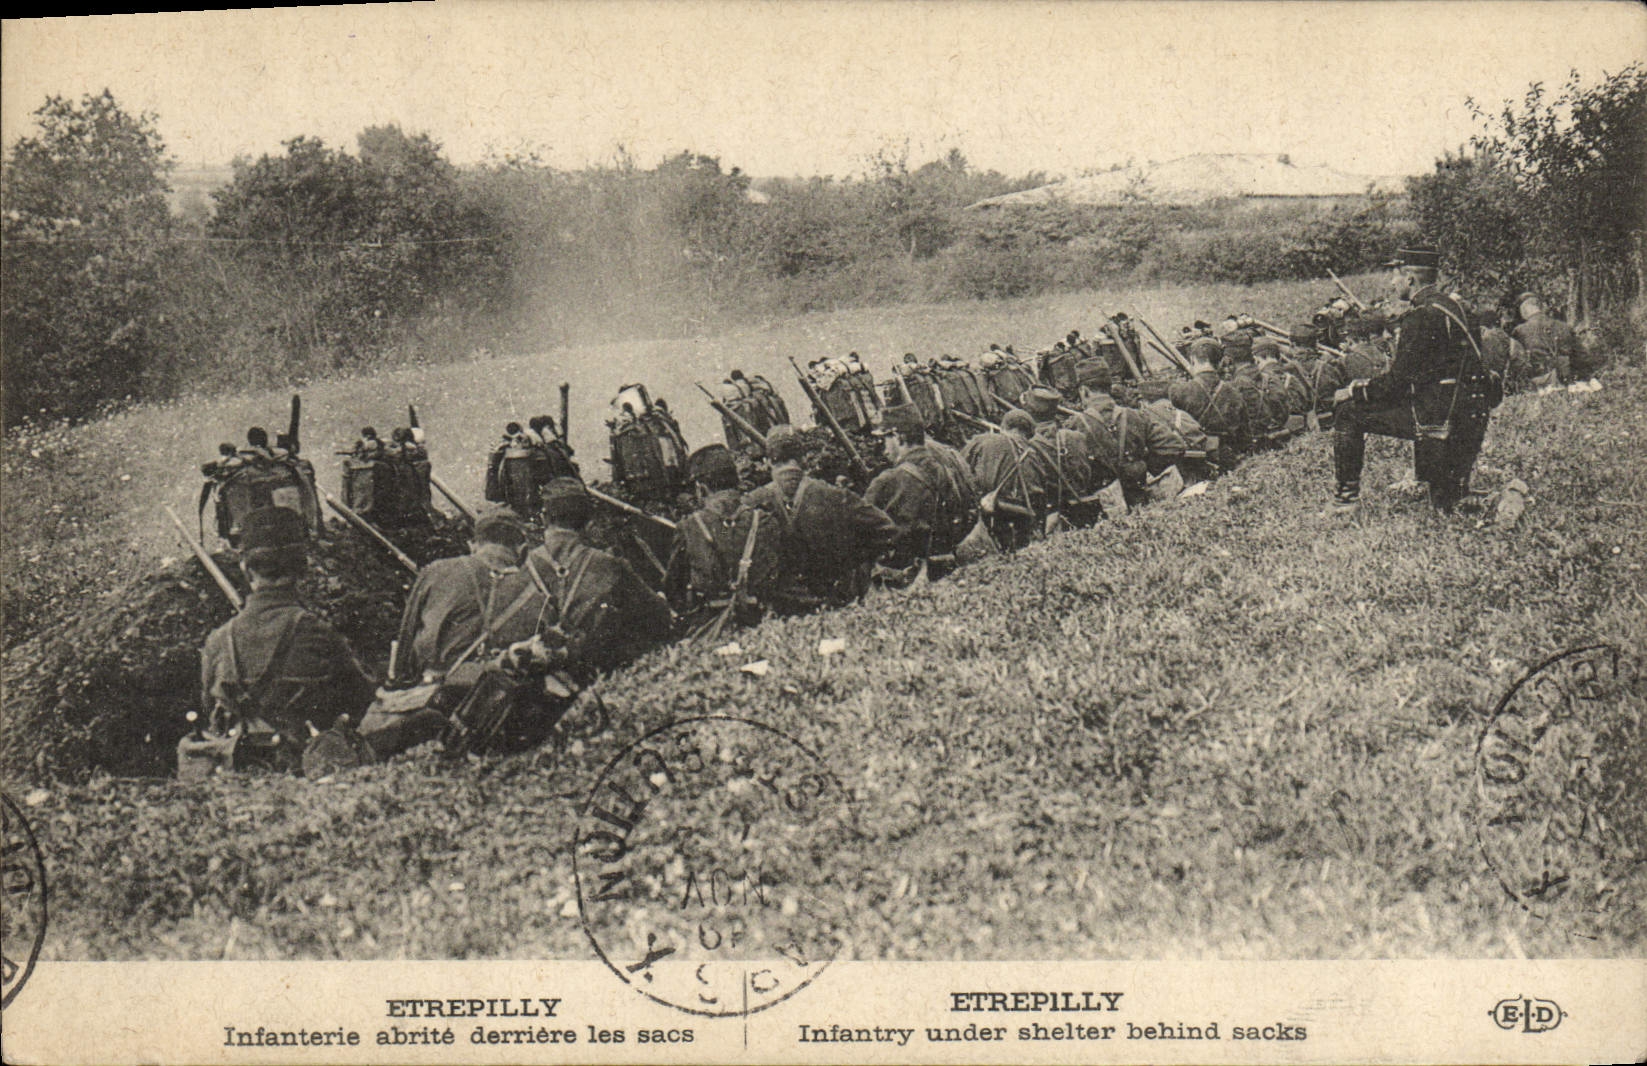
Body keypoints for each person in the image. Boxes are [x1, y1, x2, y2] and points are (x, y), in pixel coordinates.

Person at [191, 506, 376, 774]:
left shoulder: (218, 641)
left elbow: (209, 707)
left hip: (238, 768)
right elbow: (361, 697)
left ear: (245, 569)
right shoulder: (318, 633)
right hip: (307, 767)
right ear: (302, 568)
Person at [1331, 246, 1495, 514]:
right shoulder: (1456, 308)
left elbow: (1398, 382)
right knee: (1447, 502)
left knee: (1348, 412)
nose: (1392, 284)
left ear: (1409, 279)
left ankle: (1344, 500)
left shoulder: (1419, 317)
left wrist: (1355, 390)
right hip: (1471, 410)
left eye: (1395, 277)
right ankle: (1456, 487)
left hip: (1439, 415)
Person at [521, 478, 676, 679]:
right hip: (597, 674)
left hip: (541, 679)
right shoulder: (610, 564)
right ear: (588, 521)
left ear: (544, 518)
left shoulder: (523, 568)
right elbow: (658, 617)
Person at [743, 426, 899, 608]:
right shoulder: (835, 495)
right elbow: (887, 530)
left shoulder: (751, 503)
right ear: (804, 459)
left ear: (768, 461)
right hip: (836, 604)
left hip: (780, 614)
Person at [665, 444, 783, 635]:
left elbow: (673, 589)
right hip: (765, 623)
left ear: (701, 488)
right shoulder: (764, 520)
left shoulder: (689, 527)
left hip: (712, 628)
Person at [864, 404, 979, 576]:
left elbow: (860, 530)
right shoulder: (946, 469)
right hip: (945, 567)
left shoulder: (889, 480)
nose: (883, 449)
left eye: (884, 440)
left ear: (898, 437)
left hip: (905, 577)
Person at [1065, 361, 1186, 506]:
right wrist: (1140, 466)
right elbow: (1175, 447)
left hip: (1105, 510)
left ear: (1084, 391)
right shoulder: (1137, 416)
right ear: (1109, 387)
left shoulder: (1074, 426)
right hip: (1141, 502)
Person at [962, 409, 1045, 550]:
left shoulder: (982, 440)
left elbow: (962, 468)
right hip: (1023, 515)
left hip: (990, 511)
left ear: (1004, 426)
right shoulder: (1035, 455)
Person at [1169, 338, 1247, 459]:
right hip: (1229, 457)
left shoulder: (1179, 391)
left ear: (1193, 359)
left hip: (1196, 459)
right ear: (1219, 362)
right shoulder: (1234, 391)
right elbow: (1244, 435)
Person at [1513, 293, 1592, 387]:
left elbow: (1517, 363)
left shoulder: (1519, 331)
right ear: (1541, 307)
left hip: (1539, 383)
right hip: (1568, 380)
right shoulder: (1564, 327)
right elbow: (1583, 357)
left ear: (1523, 311)